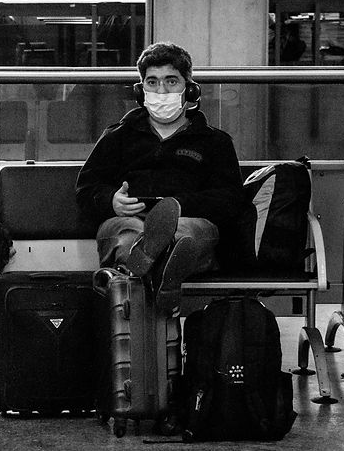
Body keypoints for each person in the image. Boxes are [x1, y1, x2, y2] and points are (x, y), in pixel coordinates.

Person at [75, 42, 246, 305]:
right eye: (152, 82)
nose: (161, 90)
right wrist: (111, 201)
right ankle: (165, 273)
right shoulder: (117, 137)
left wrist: (179, 205)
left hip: (188, 220)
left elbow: (230, 199)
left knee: (187, 234)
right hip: (129, 219)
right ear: (140, 90)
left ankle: (148, 264)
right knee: (128, 235)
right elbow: (86, 190)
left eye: (171, 81)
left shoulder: (214, 142)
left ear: (189, 88)